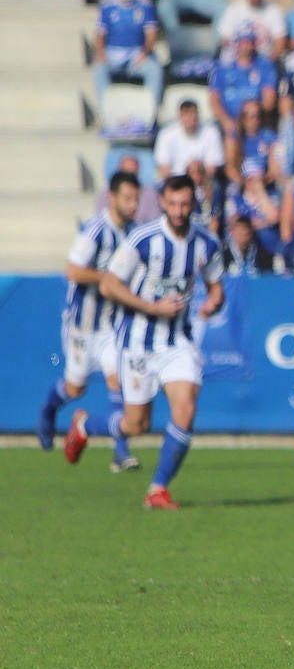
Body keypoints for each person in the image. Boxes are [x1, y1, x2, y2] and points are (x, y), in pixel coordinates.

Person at [65, 175, 225, 510]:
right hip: (136, 342)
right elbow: (109, 285)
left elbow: (216, 286)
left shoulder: (206, 243)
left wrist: (214, 302)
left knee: (187, 406)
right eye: (173, 204)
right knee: (135, 424)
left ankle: (158, 489)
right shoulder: (143, 239)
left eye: (185, 204)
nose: (180, 211)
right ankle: (83, 426)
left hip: (176, 341)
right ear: (164, 203)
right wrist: (152, 307)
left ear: (192, 204)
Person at [38, 172, 142, 465]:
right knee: (75, 388)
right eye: (128, 198)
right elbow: (73, 271)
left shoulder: (132, 233)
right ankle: (48, 408)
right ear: (112, 198)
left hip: (111, 324)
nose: (133, 204)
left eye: (136, 198)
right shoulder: (95, 231)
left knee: (118, 382)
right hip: (82, 325)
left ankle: (120, 453)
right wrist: (108, 279)